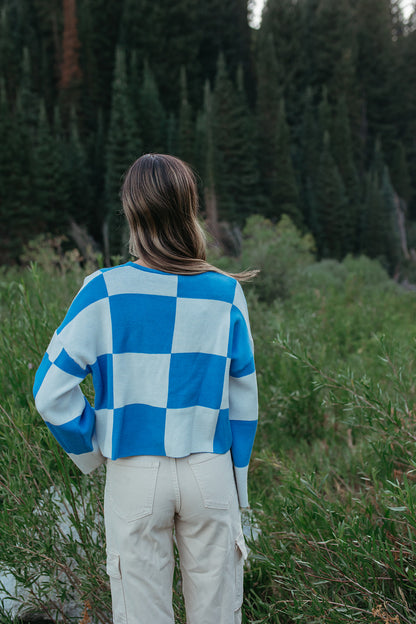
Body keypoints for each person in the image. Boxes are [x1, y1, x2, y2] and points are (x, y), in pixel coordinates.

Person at [33, 153, 258, 624]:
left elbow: (51, 393)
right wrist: (237, 483)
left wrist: (91, 449)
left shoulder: (103, 290)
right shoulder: (225, 292)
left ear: (133, 212)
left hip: (134, 473)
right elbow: (243, 402)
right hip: (209, 471)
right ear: (188, 209)